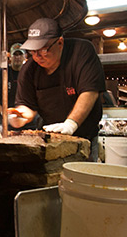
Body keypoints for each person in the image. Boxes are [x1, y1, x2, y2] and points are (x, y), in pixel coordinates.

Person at [7, 18, 106, 161]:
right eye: (33, 51)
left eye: (43, 50)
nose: (37, 56)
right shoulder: (29, 69)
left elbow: (90, 92)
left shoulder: (81, 51)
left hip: (85, 137)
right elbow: (28, 106)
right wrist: (20, 116)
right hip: (50, 140)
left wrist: (71, 123)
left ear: (59, 43)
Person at [0, 43, 40, 130]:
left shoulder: (31, 72)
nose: (17, 57)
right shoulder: (1, 73)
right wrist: (3, 112)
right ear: (10, 56)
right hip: (7, 123)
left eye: (20, 54)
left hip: (30, 124)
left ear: (25, 56)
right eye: (15, 54)